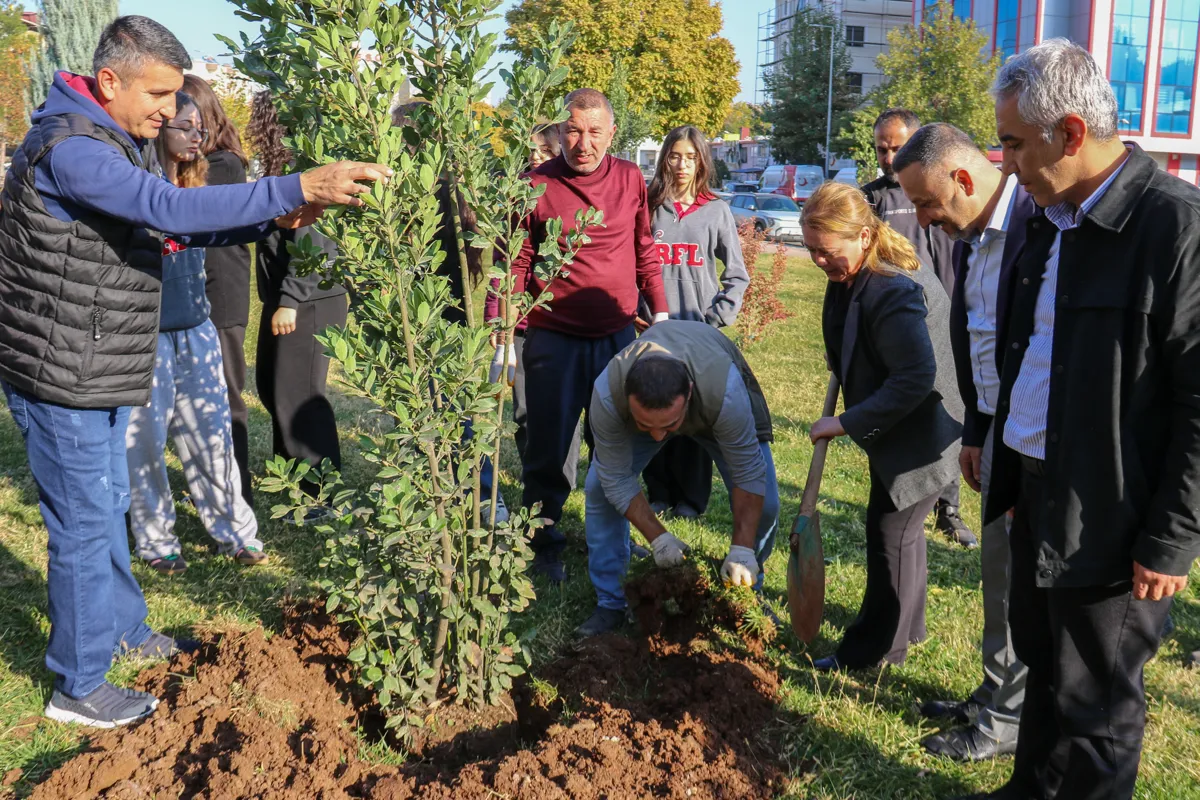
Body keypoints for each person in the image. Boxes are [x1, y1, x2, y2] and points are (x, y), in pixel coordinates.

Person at [0, 15, 387, 728]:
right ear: (109, 81)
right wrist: (292, 184)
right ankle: (77, 686)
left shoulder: (111, 138)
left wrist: (278, 216)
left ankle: (122, 630)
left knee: (106, 503)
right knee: (85, 524)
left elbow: (171, 227)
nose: (171, 112)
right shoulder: (73, 150)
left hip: (98, 359)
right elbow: (164, 206)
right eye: (158, 95)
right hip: (63, 370)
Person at [952, 40, 1200, 800]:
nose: (1007, 161)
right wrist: (1016, 467)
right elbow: (1034, 360)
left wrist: (1170, 537)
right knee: (1043, 659)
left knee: (1095, 700)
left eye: (1015, 144)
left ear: (1067, 132)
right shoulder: (1046, 219)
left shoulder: (1174, 228)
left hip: (1116, 518)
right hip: (1038, 488)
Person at [892, 123, 1038, 762]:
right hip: (997, 434)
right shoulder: (975, 237)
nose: (921, 218)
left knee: (1017, 581)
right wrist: (977, 431)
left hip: (1033, 440)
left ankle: (1007, 721)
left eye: (926, 202)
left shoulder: (1038, 227)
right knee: (998, 574)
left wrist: (1011, 441)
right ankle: (995, 693)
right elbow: (976, 334)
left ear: (963, 178)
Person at [802, 182, 964, 671]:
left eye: (827, 251)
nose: (818, 262)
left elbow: (916, 377)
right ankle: (906, 630)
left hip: (924, 432)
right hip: (902, 429)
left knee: (889, 535)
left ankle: (872, 651)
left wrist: (845, 422)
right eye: (810, 251)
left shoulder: (892, 288)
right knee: (903, 533)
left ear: (865, 236)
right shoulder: (856, 277)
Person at [511, 88, 668, 584]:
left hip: (616, 337)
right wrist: (504, 333)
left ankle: (614, 538)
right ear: (557, 132)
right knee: (548, 447)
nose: (583, 143)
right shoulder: (533, 183)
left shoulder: (629, 178)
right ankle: (544, 541)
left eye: (594, 132)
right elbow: (515, 261)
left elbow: (644, 247)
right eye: (572, 131)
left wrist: (659, 314)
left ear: (612, 134)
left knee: (617, 443)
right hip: (552, 337)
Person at [125, 90, 266, 573]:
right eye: (185, 127)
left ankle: (236, 533)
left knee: (213, 435)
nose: (195, 137)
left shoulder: (196, 183)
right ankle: (156, 539)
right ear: (159, 128)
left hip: (196, 326)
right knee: (144, 440)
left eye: (199, 128)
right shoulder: (137, 185)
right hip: (146, 335)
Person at [577, 320, 778, 636]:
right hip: (673, 405)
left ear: (690, 393)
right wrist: (658, 538)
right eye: (646, 425)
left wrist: (742, 547)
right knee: (599, 491)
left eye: (668, 426)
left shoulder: (724, 391)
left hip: (714, 405)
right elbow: (614, 477)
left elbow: (748, 472)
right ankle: (612, 603)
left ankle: (747, 584)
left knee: (767, 504)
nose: (657, 437)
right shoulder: (607, 395)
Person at [862, 108, 976, 550]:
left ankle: (949, 508)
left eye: (896, 147)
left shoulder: (940, 192)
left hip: (952, 316)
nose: (889, 157)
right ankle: (903, 491)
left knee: (954, 410)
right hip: (904, 325)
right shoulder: (873, 200)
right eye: (882, 149)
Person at [639, 125, 748, 520]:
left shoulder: (715, 210)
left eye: (690, 157)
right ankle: (659, 491)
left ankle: (692, 498)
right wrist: (638, 313)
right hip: (652, 332)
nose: (682, 165)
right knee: (653, 410)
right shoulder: (650, 206)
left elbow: (737, 275)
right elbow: (634, 263)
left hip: (695, 336)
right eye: (674, 156)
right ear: (665, 158)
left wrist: (714, 321)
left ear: (702, 161)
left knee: (692, 415)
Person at [248, 91, 349, 518]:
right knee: (273, 387)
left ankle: (321, 496)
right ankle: (290, 481)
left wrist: (289, 300)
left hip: (309, 300)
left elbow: (315, 243)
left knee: (301, 395)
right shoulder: (285, 167)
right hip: (288, 299)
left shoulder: (305, 168)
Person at [484, 123, 583, 494]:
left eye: (545, 152)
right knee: (525, 411)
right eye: (531, 153)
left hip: (558, 322)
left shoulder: (568, 198)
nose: (536, 159)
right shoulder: (517, 197)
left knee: (563, 412)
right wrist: (498, 317)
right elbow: (503, 260)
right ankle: (534, 477)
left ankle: (563, 480)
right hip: (520, 324)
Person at [182, 73, 255, 508]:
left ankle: (237, 492)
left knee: (227, 397)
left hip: (221, 293)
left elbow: (198, 216)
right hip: (199, 290)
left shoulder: (225, 163)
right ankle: (212, 486)